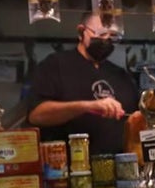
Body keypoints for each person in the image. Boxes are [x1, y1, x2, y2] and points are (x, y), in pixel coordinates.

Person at [27, 11, 140, 154]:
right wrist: (87, 106)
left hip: (119, 169)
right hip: (69, 169)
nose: (106, 40)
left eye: (113, 36)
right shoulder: (56, 65)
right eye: (101, 34)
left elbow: (137, 119)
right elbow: (37, 115)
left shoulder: (121, 75)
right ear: (81, 32)